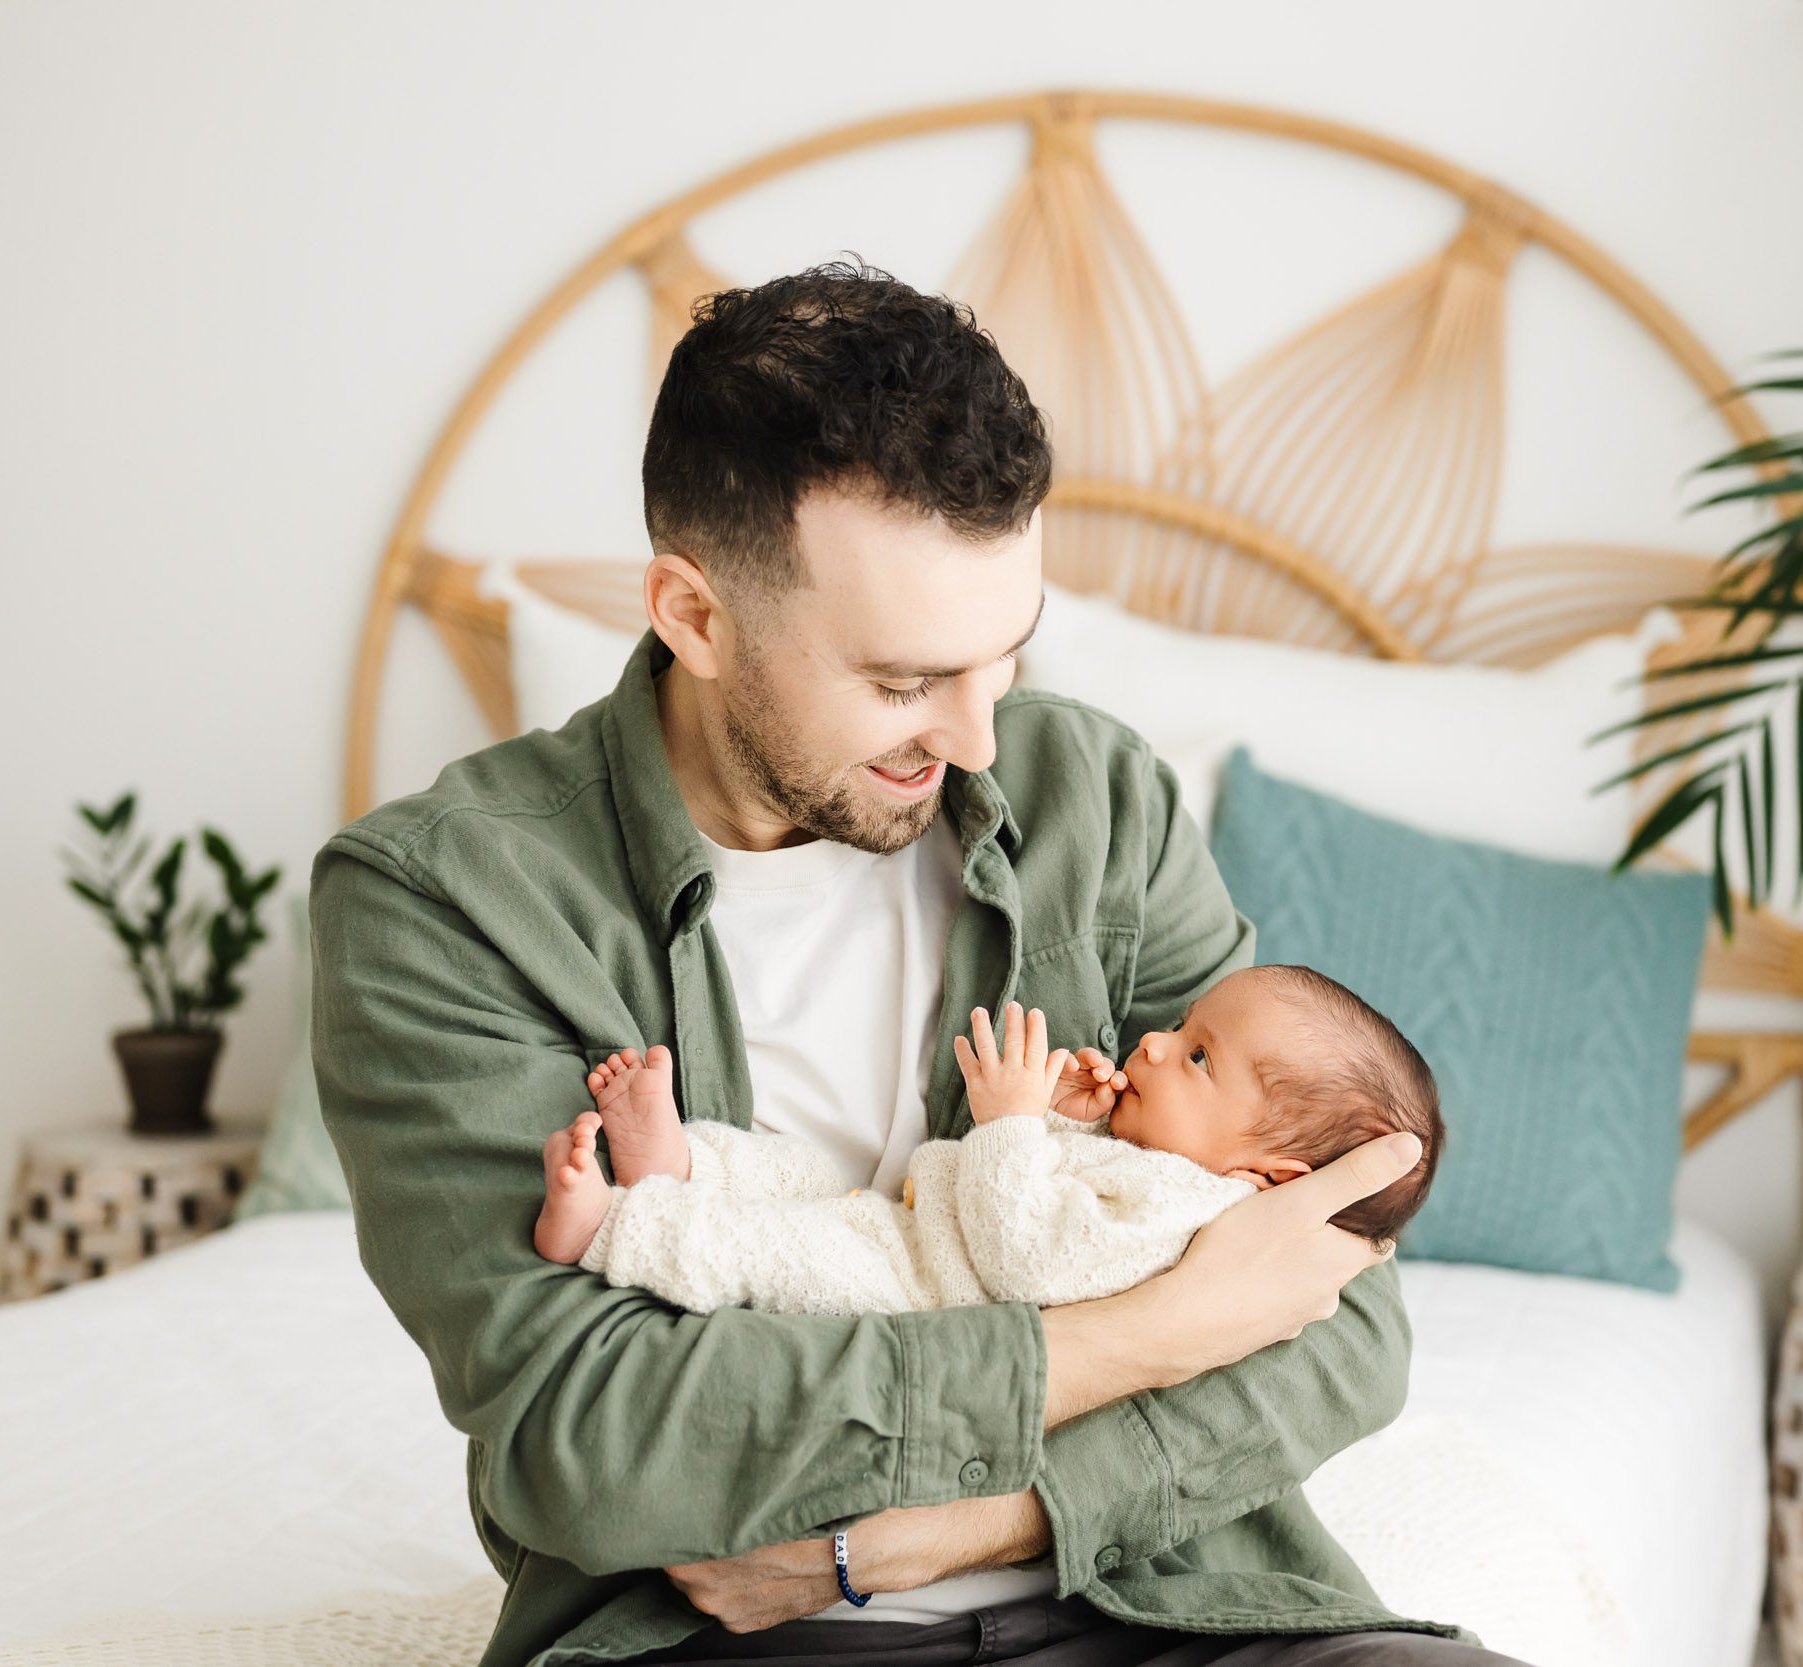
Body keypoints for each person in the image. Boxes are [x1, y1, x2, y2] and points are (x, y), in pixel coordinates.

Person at [309, 257, 1535, 1667]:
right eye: (901, 683)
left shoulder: (1100, 801)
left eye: (1003, 658)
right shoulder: (447, 899)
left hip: (1162, 1588)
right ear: (695, 615)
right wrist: (1153, 1331)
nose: (978, 743)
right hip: (720, 1635)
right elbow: (590, 1437)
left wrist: (950, 1525)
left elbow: (1346, 1311)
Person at [533, 972, 1446, 1315]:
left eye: (1199, 1055)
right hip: (902, 1223)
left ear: (1264, 1176)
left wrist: (1010, 1121)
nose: (1156, 1041)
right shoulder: (1164, 1168)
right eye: (1183, 1023)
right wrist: (1066, 1117)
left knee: (765, 1249)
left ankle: (610, 1226)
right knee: (796, 1170)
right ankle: (677, 1159)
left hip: (915, 1296)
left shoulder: (1192, 1211)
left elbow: (1032, 1256)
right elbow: (1046, 1198)